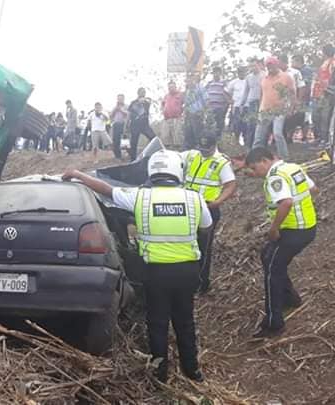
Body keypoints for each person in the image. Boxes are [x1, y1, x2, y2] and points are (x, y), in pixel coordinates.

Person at [63, 150, 211, 383]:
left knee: (157, 322)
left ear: (152, 171)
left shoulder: (140, 197)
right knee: (185, 320)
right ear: (177, 170)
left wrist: (77, 174)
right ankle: (192, 371)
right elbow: (206, 228)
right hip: (186, 271)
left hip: (155, 272)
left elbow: (106, 189)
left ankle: (159, 373)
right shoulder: (194, 198)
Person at [245, 147, 317, 338]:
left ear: (263, 161)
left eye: (254, 168)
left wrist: (274, 228)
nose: (255, 173)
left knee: (272, 269)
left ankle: (273, 323)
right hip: (307, 226)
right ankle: (290, 298)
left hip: (294, 230)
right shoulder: (293, 167)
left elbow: (285, 202)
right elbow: (313, 189)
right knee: (267, 256)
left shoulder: (275, 176)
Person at [181, 135, 237, 293]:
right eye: (202, 148)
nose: (204, 152)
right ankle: (187, 280)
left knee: (203, 247)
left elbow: (231, 185)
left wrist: (218, 202)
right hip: (188, 205)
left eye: (208, 149)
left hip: (207, 207)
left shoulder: (221, 161)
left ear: (215, 146)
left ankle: (201, 283)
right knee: (187, 244)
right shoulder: (192, 155)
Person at [253, 57, 296, 160]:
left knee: (277, 134)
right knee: (259, 136)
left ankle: (284, 158)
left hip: (279, 110)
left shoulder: (286, 77)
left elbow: (292, 94)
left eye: (271, 65)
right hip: (264, 110)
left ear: (276, 65)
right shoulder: (264, 78)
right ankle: (255, 158)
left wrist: (291, 108)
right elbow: (261, 94)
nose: (269, 67)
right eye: (268, 66)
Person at [280, 54, 307, 143]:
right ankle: (283, 137)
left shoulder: (295, 72)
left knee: (293, 118)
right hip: (280, 101)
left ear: (284, 62)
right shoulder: (277, 73)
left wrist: (298, 100)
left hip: (292, 100)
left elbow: (301, 86)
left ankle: (289, 137)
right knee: (281, 120)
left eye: (279, 63)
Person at [311, 44, 335, 144]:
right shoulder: (324, 63)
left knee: (324, 117)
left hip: (327, 94)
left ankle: (324, 139)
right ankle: (320, 138)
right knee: (317, 116)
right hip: (319, 93)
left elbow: (331, 80)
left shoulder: (332, 63)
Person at [242, 57, 266, 149]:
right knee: (250, 124)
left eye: (254, 65)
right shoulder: (248, 77)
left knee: (260, 124)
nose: (253, 68)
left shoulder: (264, 75)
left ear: (259, 65)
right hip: (251, 102)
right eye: (251, 66)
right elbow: (246, 91)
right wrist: (242, 104)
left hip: (262, 102)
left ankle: (260, 146)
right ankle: (249, 145)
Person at [127, 88, 156, 161]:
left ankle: (155, 154)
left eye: (144, 92)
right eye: (141, 92)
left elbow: (149, 102)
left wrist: (143, 101)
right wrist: (127, 124)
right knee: (133, 142)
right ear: (138, 93)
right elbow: (129, 113)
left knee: (154, 138)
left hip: (144, 125)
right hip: (134, 125)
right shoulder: (133, 102)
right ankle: (133, 159)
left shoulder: (147, 100)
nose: (143, 93)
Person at [204, 66, 231, 138]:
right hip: (210, 108)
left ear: (220, 73)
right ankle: (209, 141)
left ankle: (218, 140)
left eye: (217, 72)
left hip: (220, 108)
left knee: (219, 126)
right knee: (209, 125)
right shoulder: (209, 83)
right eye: (214, 73)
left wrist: (226, 106)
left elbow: (228, 95)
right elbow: (203, 93)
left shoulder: (224, 83)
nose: (216, 74)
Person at [292, 55, 314, 142]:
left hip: (304, 98)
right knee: (297, 116)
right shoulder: (299, 71)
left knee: (304, 117)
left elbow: (305, 85)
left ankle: (304, 137)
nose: (292, 64)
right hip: (299, 97)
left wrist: (302, 98)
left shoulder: (306, 70)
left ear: (298, 62)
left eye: (293, 62)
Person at [183, 73, 207, 150]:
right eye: (187, 80)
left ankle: (200, 149)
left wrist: (202, 112)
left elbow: (206, 101)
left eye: (191, 79)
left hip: (198, 114)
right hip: (189, 115)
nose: (189, 81)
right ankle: (189, 149)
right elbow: (186, 104)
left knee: (198, 134)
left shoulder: (200, 88)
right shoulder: (188, 91)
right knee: (188, 134)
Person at [161, 81, 184, 149]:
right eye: (169, 87)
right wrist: (163, 110)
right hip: (167, 119)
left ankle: (178, 150)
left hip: (176, 118)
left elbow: (186, 104)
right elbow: (162, 104)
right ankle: (167, 151)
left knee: (177, 137)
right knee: (165, 137)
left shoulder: (180, 95)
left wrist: (182, 112)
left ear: (175, 87)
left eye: (172, 87)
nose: (171, 88)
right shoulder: (166, 96)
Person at [227, 67, 248, 142]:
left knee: (245, 124)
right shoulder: (234, 82)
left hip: (246, 106)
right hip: (236, 106)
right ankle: (236, 140)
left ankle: (245, 141)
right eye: (240, 72)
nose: (241, 73)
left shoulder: (247, 81)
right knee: (236, 124)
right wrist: (230, 100)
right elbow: (226, 91)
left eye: (243, 72)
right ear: (238, 73)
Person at [110, 94, 128, 160]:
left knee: (126, 140)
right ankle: (118, 156)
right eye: (118, 99)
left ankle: (129, 154)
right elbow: (111, 116)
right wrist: (115, 109)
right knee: (116, 140)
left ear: (123, 99)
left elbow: (128, 114)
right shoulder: (115, 107)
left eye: (121, 98)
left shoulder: (126, 106)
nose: (120, 100)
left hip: (124, 124)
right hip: (116, 124)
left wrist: (120, 110)